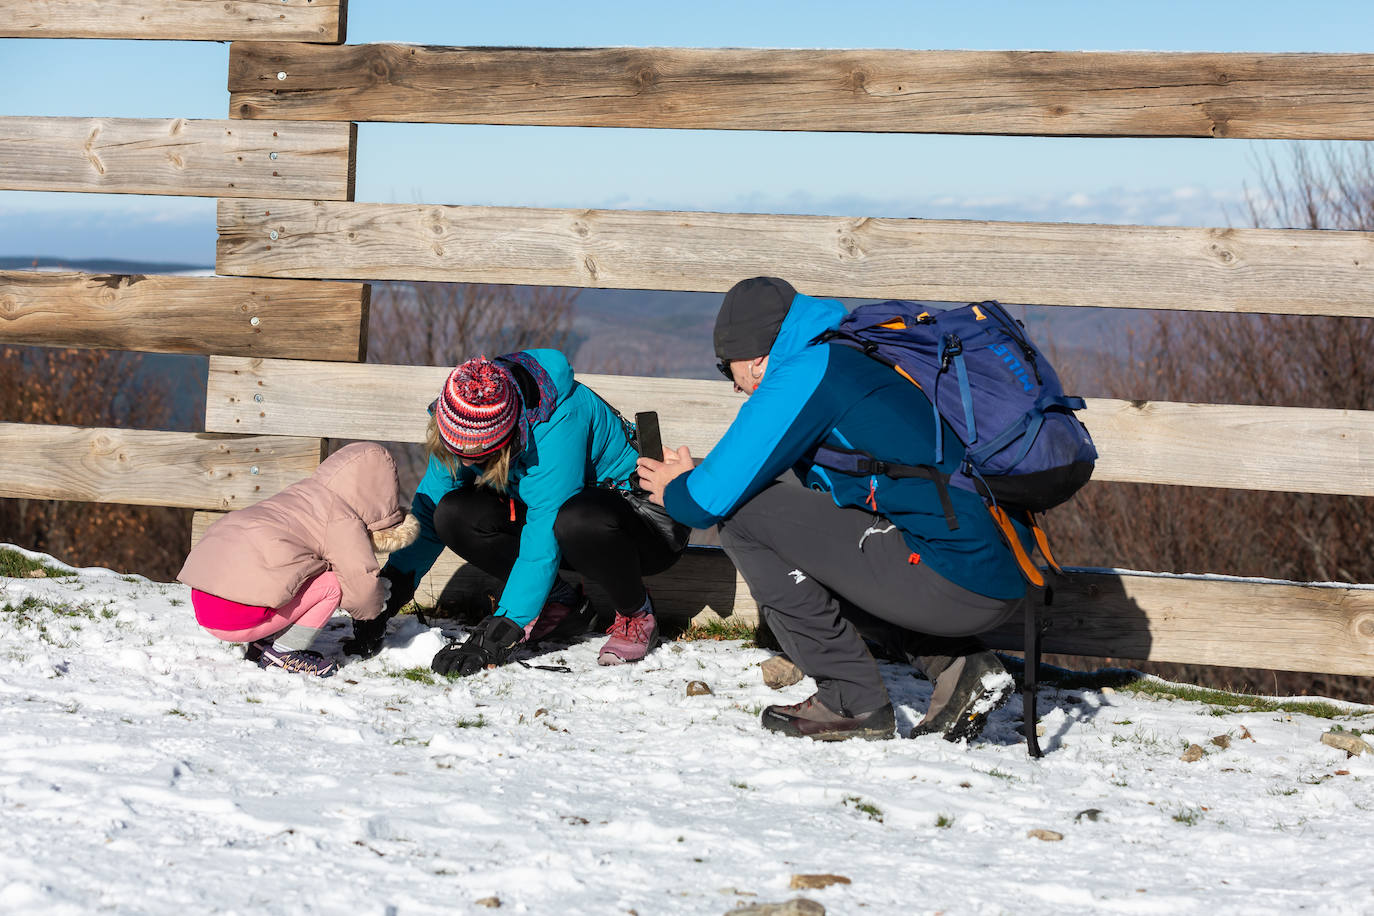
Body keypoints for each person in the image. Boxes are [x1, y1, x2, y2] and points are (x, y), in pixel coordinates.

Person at [636, 277, 1027, 743]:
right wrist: (696, 483)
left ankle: (849, 700)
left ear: (757, 360)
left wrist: (678, 487)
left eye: (727, 368)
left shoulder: (804, 373)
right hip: (988, 569)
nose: (734, 384)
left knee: (740, 519)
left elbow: (705, 503)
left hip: (954, 579)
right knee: (793, 530)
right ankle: (959, 666)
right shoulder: (845, 356)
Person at [351, 349, 689, 675]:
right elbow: (428, 510)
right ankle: (560, 606)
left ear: (509, 434)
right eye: (458, 451)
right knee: (452, 513)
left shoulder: (556, 421)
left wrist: (504, 629)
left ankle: (636, 613)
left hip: (641, 525)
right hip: (567, 530)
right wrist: (388, 594)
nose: (467, 462)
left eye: (481, 456)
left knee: (578, 519)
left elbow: (544, 531)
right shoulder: (464, 417)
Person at [178, 442, 419, 677]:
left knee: (293, 564)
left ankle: (263, 640)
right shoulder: (342, 519)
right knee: (333, 584)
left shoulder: (301, 495)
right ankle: (283, 653)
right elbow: (361, 591)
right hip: (236, 619)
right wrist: (377, 610)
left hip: (206, 603)